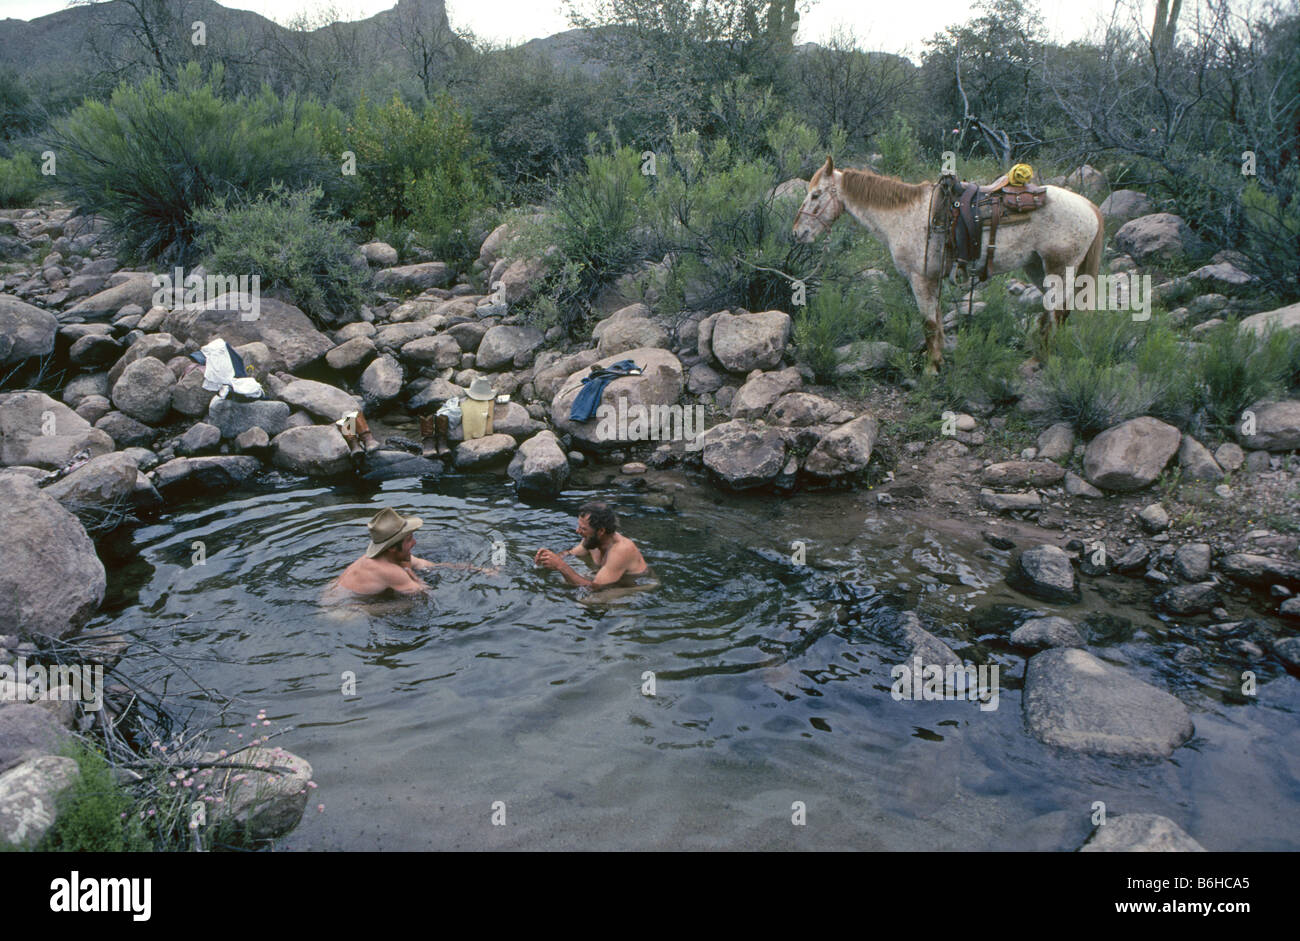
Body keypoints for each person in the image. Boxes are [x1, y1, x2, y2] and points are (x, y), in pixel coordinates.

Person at [327, 507, 494, 599]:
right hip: (343, 610)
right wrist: (410, 575)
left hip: (332, 592)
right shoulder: (389, 570)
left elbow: (433, 566)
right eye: (409, 540)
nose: (414, 542)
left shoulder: (392, 556)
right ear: (392, 547)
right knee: (406, 605)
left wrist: (480, 570)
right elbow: (425, 593)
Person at [534, 502, 654, 590]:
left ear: (601, 531)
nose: (577, 531)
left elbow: (596, 588)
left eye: (583, 528)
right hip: (608, 578)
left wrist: (560, 566)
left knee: (587, 602)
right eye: (579, 526)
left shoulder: (621, 550)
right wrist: (549, 558)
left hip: (636, 585)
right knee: (564, 582)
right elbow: (571, 554)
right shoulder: (592, 540)